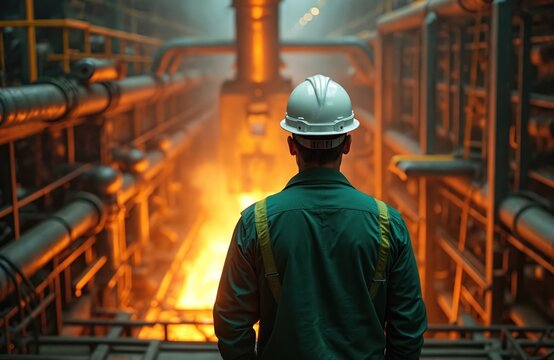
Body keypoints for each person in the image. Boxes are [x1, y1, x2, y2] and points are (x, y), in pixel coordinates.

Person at [213, 74, 427, 359]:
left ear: (292, 146)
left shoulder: (256, 222)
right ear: (347, 144)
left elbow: (230, 322)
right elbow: (408, 330)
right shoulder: (388, 224)